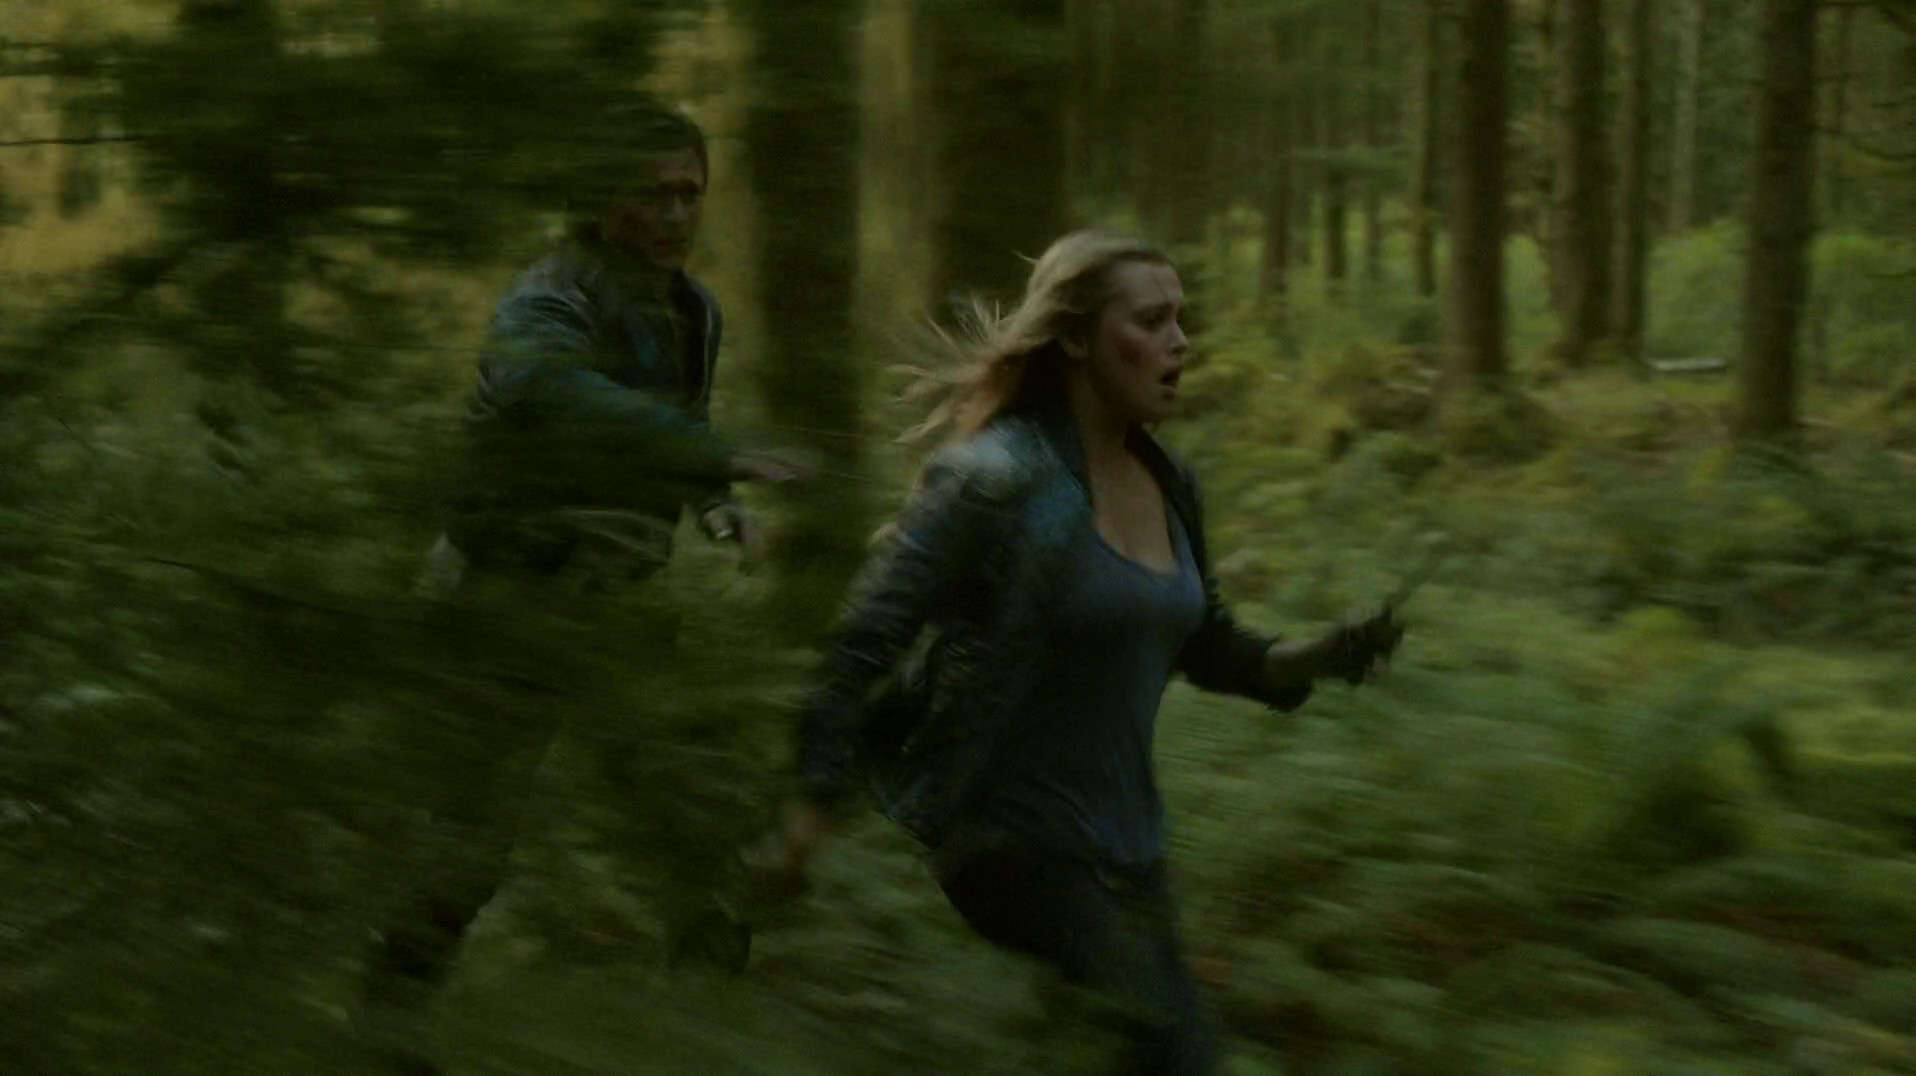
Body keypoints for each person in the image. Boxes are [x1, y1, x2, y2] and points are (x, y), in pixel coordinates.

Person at [749, 230, 1404, 1075]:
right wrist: (810, 813)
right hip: (1006, 844)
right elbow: (865, 640)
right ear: (1074, 338)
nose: (1180, 342)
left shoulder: (1170, 484)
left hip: (1130, 857)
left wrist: (1321, 656)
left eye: (1181, 319)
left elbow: (1205, 644)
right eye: (1151, 321)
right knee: (1173, 1054)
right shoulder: (992, 478)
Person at [355, 97, 812, 1069]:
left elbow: (681, 423)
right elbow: (548, 390)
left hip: (612, 598)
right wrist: (711, 454)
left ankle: (693, 1023)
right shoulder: (548, 294)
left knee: (692, 794)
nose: (677, 214)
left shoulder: (693, 312)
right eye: (652, 194)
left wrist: (715, 500)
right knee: (472, 843)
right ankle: (383, 1023)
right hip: (500, 595)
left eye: (690, 193)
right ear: (597, 198)